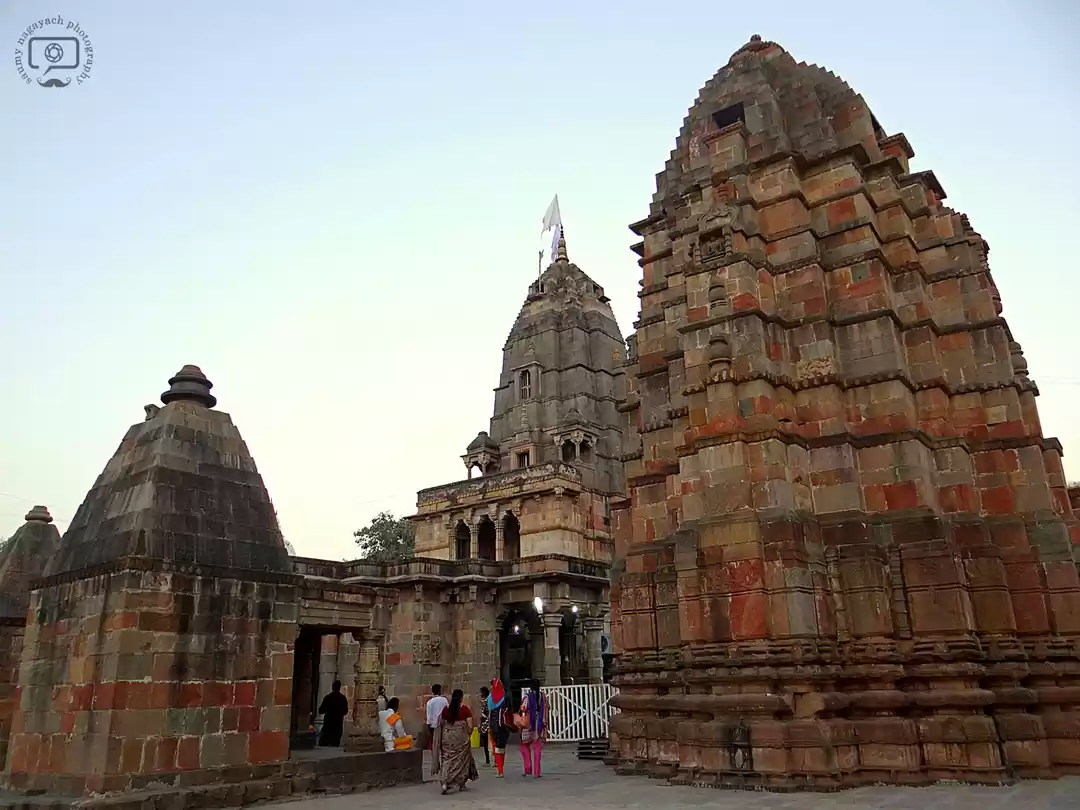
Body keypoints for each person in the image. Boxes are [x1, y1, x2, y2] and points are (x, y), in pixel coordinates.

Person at [433, 688, 479, 794]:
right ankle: (461, 783)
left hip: (447, 738)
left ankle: (444, 782)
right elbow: (470, 726)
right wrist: (467, 735)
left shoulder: (446, 709)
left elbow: (441, 723)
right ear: (461, 698)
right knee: (462, 761)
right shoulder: (465, 710)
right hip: (461, 738)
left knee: (446, 759)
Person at [518, 679, 550, 778]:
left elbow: (523, 708)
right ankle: (537, 772)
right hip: (539, 725)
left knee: (524, 746)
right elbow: (548, 707)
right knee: (537, 749)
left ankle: (528, 768)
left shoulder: (527, 697)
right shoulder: (543, 696)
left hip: (528, 725)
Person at [487, 678, 512, 778]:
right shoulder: (506, 697)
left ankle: (500, 771)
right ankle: (501, 767)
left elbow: (489, 711)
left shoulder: (490, 697)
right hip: (504, 725)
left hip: (494, 725)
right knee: (502, 747)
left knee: (496, 747)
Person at [316, 680, 349, 747]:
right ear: (339, 687)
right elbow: (345, 711)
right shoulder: (343, 698)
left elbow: (321, 710)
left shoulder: (328, 697)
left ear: (332, 687)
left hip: (328, 724)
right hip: (338, 724)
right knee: (335, 743)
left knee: (324, 743)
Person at [425, 684, 448, 750]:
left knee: (435, 745)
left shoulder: (430, 702)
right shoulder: (444, 700)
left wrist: (428, 727)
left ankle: (435, 756)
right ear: (440, 691)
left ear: (432, 692)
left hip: (434, 726)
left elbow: (429, 717)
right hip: (444, 724)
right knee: (444, 743)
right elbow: (447, 710)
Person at [478, 686, 492, 767]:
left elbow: (483, 713)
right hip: (489, 723)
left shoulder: (484, 701)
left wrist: (480, 724)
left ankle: (488, 760)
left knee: (486, 743)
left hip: (485, 724)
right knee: (489, 743)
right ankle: (491, 760)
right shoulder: (490, 700)